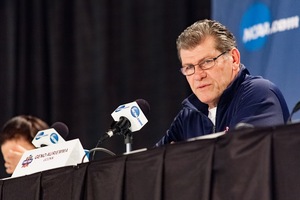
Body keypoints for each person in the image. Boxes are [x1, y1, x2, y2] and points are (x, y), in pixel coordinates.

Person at [155, 19, 290, 146]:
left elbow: (245, 162)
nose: (198, 76)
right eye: (189, 67)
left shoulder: (259, 93)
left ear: (234, 59)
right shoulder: (188, 117)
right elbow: (153, 165)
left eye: (207, 62)